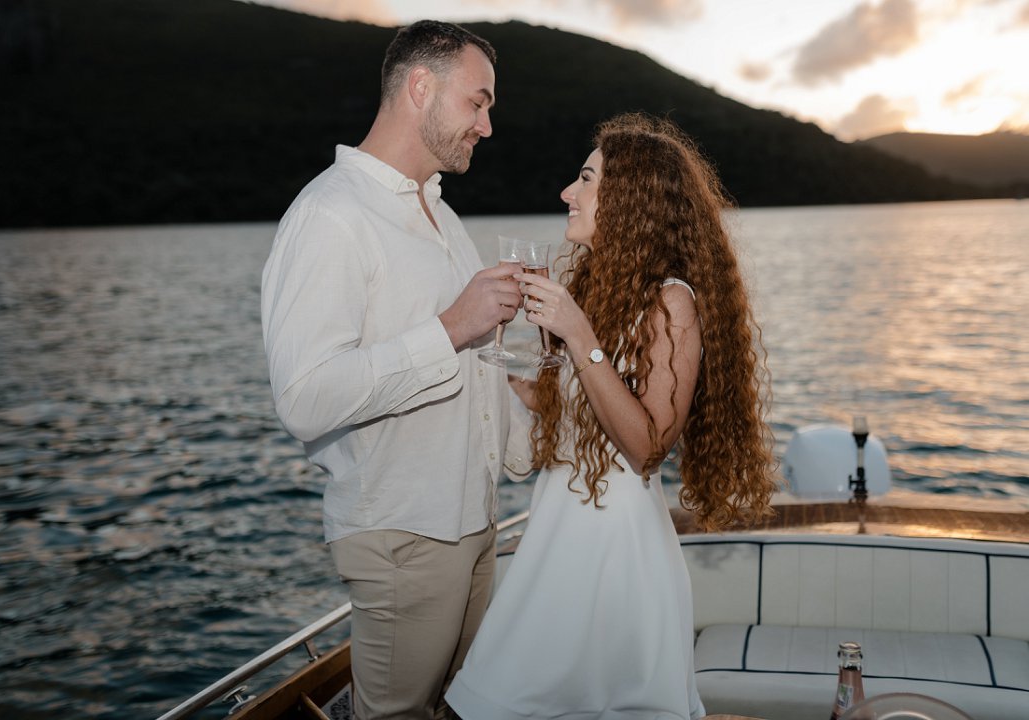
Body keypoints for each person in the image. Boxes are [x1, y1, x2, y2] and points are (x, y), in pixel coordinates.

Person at [445, 113, 779, 720]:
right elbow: (581, 412)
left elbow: (648, 446)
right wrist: (506, 379)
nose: (567, 193)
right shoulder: (605, 289)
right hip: (559, 531)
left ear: (630, 198)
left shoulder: (672, 301)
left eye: (585, 179)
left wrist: (578, 334)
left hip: (612, 546)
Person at [260, 20, 532, 720]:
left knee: (462, 710)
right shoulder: (330, 215)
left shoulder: (444, 217)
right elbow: (304, 397)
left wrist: (533, 419)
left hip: (474, 523)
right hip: (405, 534)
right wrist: (453, 326)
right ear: (419, 87)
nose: (487, 126)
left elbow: (470, 371)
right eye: (477, 102)